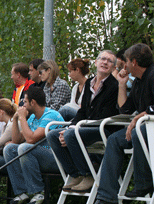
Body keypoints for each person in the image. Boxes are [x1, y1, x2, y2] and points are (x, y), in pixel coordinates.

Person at [85, 43, 154, 204]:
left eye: (126, 61)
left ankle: (144, 184)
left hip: (147, 128)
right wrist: (122, 84)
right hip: (144, 127)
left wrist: (140, 117)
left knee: (139, 132)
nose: (124, 65)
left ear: (134, 62)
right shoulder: (138, 81)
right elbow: (126, 109)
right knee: (114, 140)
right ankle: (106, 196)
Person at [47, 50, 119, 193]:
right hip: (85, 126)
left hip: (104, 128)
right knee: (53, 135)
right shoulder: (88, 84)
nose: (105, 62)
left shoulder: (114, 86)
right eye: (103, 59)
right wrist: (71, 127)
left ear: (113, 67)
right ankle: (75, 174)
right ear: (96, 62)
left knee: (71, 135)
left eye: (109, 61)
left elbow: (105, 114)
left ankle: (88, 174)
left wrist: (75, 129)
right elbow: (82, 111)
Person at [5, 87, 64, 204]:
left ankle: (38, 191)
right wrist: (16, 119)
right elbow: (16, 140)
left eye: (25, 102)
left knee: (25, 148)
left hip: (57, 158)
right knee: (9, 148)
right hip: (39, 156)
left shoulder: (51, 115)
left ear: (33, 102)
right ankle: (22, 192)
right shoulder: (32, 117)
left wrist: (22, 118)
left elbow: (31, 139)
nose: (23, 105)